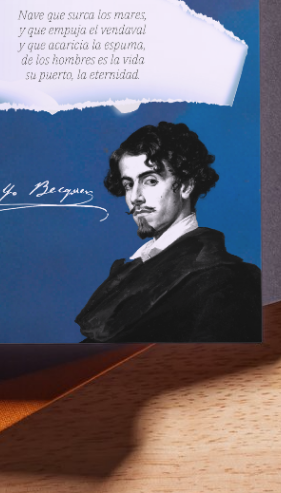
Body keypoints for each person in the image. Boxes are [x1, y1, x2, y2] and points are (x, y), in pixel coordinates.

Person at [75, 120, 261, 343]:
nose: (135, 197)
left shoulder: (225, 279)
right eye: (128, 185)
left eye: (150, 181)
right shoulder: (133, 268)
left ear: (185, 186)